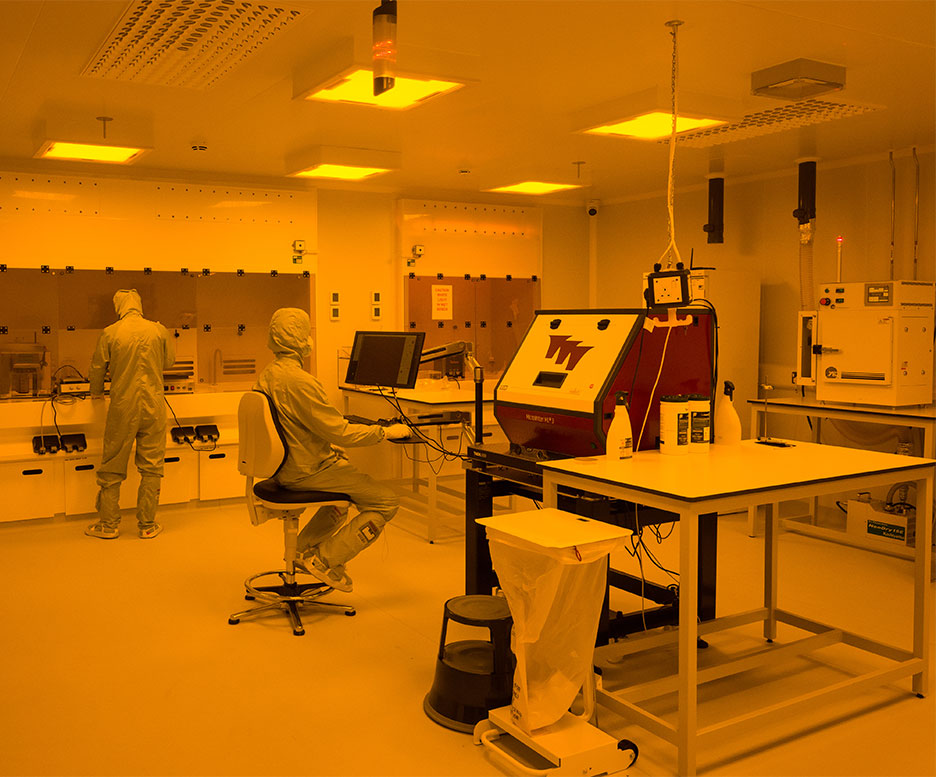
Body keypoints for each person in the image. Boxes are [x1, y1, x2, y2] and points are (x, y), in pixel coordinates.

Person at [255, 308, 410, 592]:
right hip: (306, 471)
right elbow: (339, 431)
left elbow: (301, 425)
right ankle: (325, 561)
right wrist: (384, 432)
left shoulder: (268, 375)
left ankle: (302, 551)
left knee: (340, 502)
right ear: (301, 338)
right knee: (385, 501)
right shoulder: (299, 381)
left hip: (285, 468)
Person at [85, 290, 176, 540]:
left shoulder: (111, 332)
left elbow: (97, 367)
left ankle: (109, 525)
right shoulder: (159, 330)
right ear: (139, 304)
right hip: (154, 406)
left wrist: (95, 395)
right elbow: (169, 361)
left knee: (113, 466)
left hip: (123, 407)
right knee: (152, 467)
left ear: (119, 306)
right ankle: (147, 525)